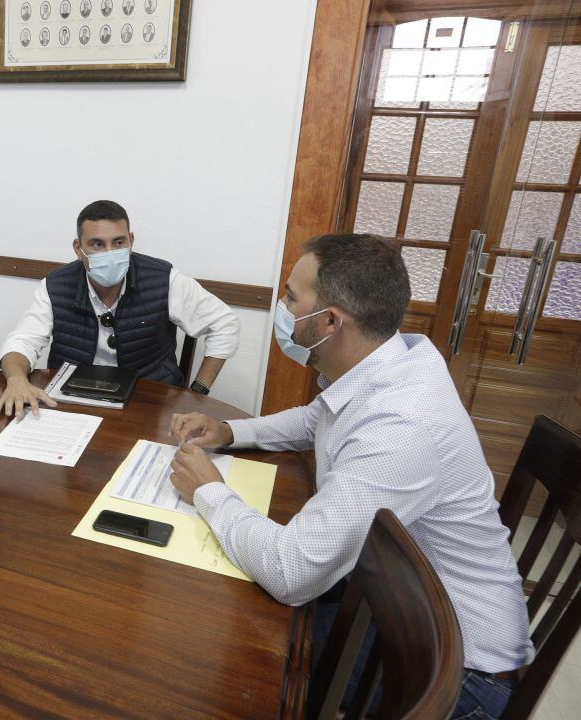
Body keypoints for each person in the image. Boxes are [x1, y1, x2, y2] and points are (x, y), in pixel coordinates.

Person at [168, 234, 533, 719]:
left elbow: (291, 572)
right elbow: (316, 418)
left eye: (291, 297)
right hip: (391, 603)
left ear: (331, 321)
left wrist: (209, 489)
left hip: (453, 672)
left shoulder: (403, 424)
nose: (281, 305)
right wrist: (229, 430)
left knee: (217, 667)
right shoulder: (393, 360)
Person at [0, 200, 240, 417]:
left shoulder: (165, 280)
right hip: (73, 401)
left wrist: (198, 391)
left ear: (131, 241)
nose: (110, 253)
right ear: (78, 248)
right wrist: (16, 379)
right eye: (97, 244)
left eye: (118, 242)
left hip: (148, 405)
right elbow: (23, 341)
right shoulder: (56, 284)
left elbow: (224, 323)